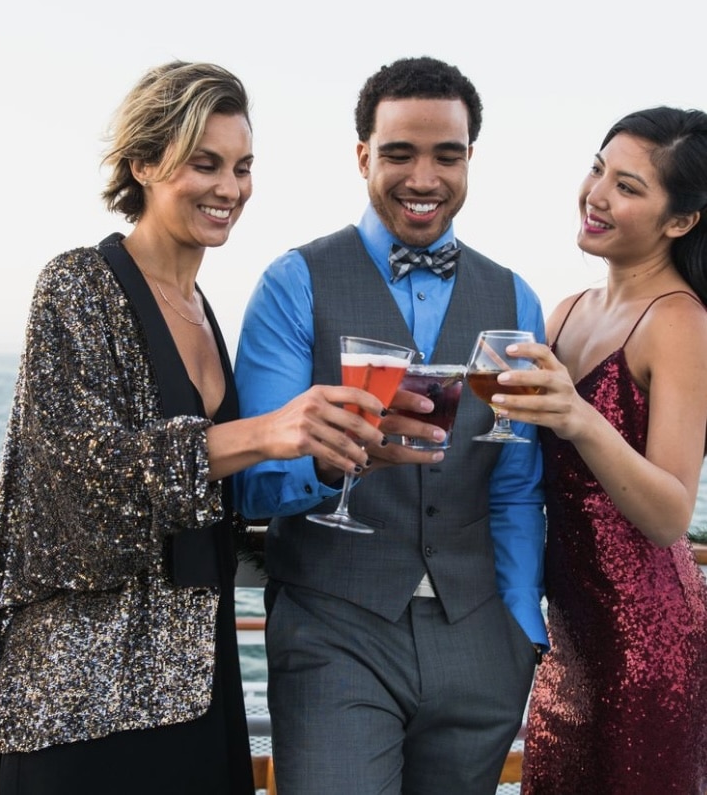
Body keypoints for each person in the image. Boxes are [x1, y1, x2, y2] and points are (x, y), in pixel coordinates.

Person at [0, 60, 397, 795]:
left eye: (242, 166)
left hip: (193, 681)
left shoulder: (205, 311)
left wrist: (334, 459)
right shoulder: (77, 284)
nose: (229, 188)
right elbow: (78, 478)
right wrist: (266, 432)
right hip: (83, 692)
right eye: (205, 163)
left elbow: (210, 495)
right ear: (143, 162)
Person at [233, 55, 548, 795]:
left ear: (471, 157)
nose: (424, 178)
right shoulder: (294, 283)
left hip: (478, 643)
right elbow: (252, 480)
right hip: (335, 630)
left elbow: (516, 482)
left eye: (447, 154)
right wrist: (338, 458)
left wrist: (520, 632)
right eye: (400, 152)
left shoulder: (517, 298)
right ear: (363, 155)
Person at [496, 107, 707, 794]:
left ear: (680, 221)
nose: (596, 194)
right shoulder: (564, 310)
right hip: (568, 637)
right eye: (597, 169)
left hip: (648, 639)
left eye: (628, 186)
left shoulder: (679, 321)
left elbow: (672, 513)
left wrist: (579, 416)